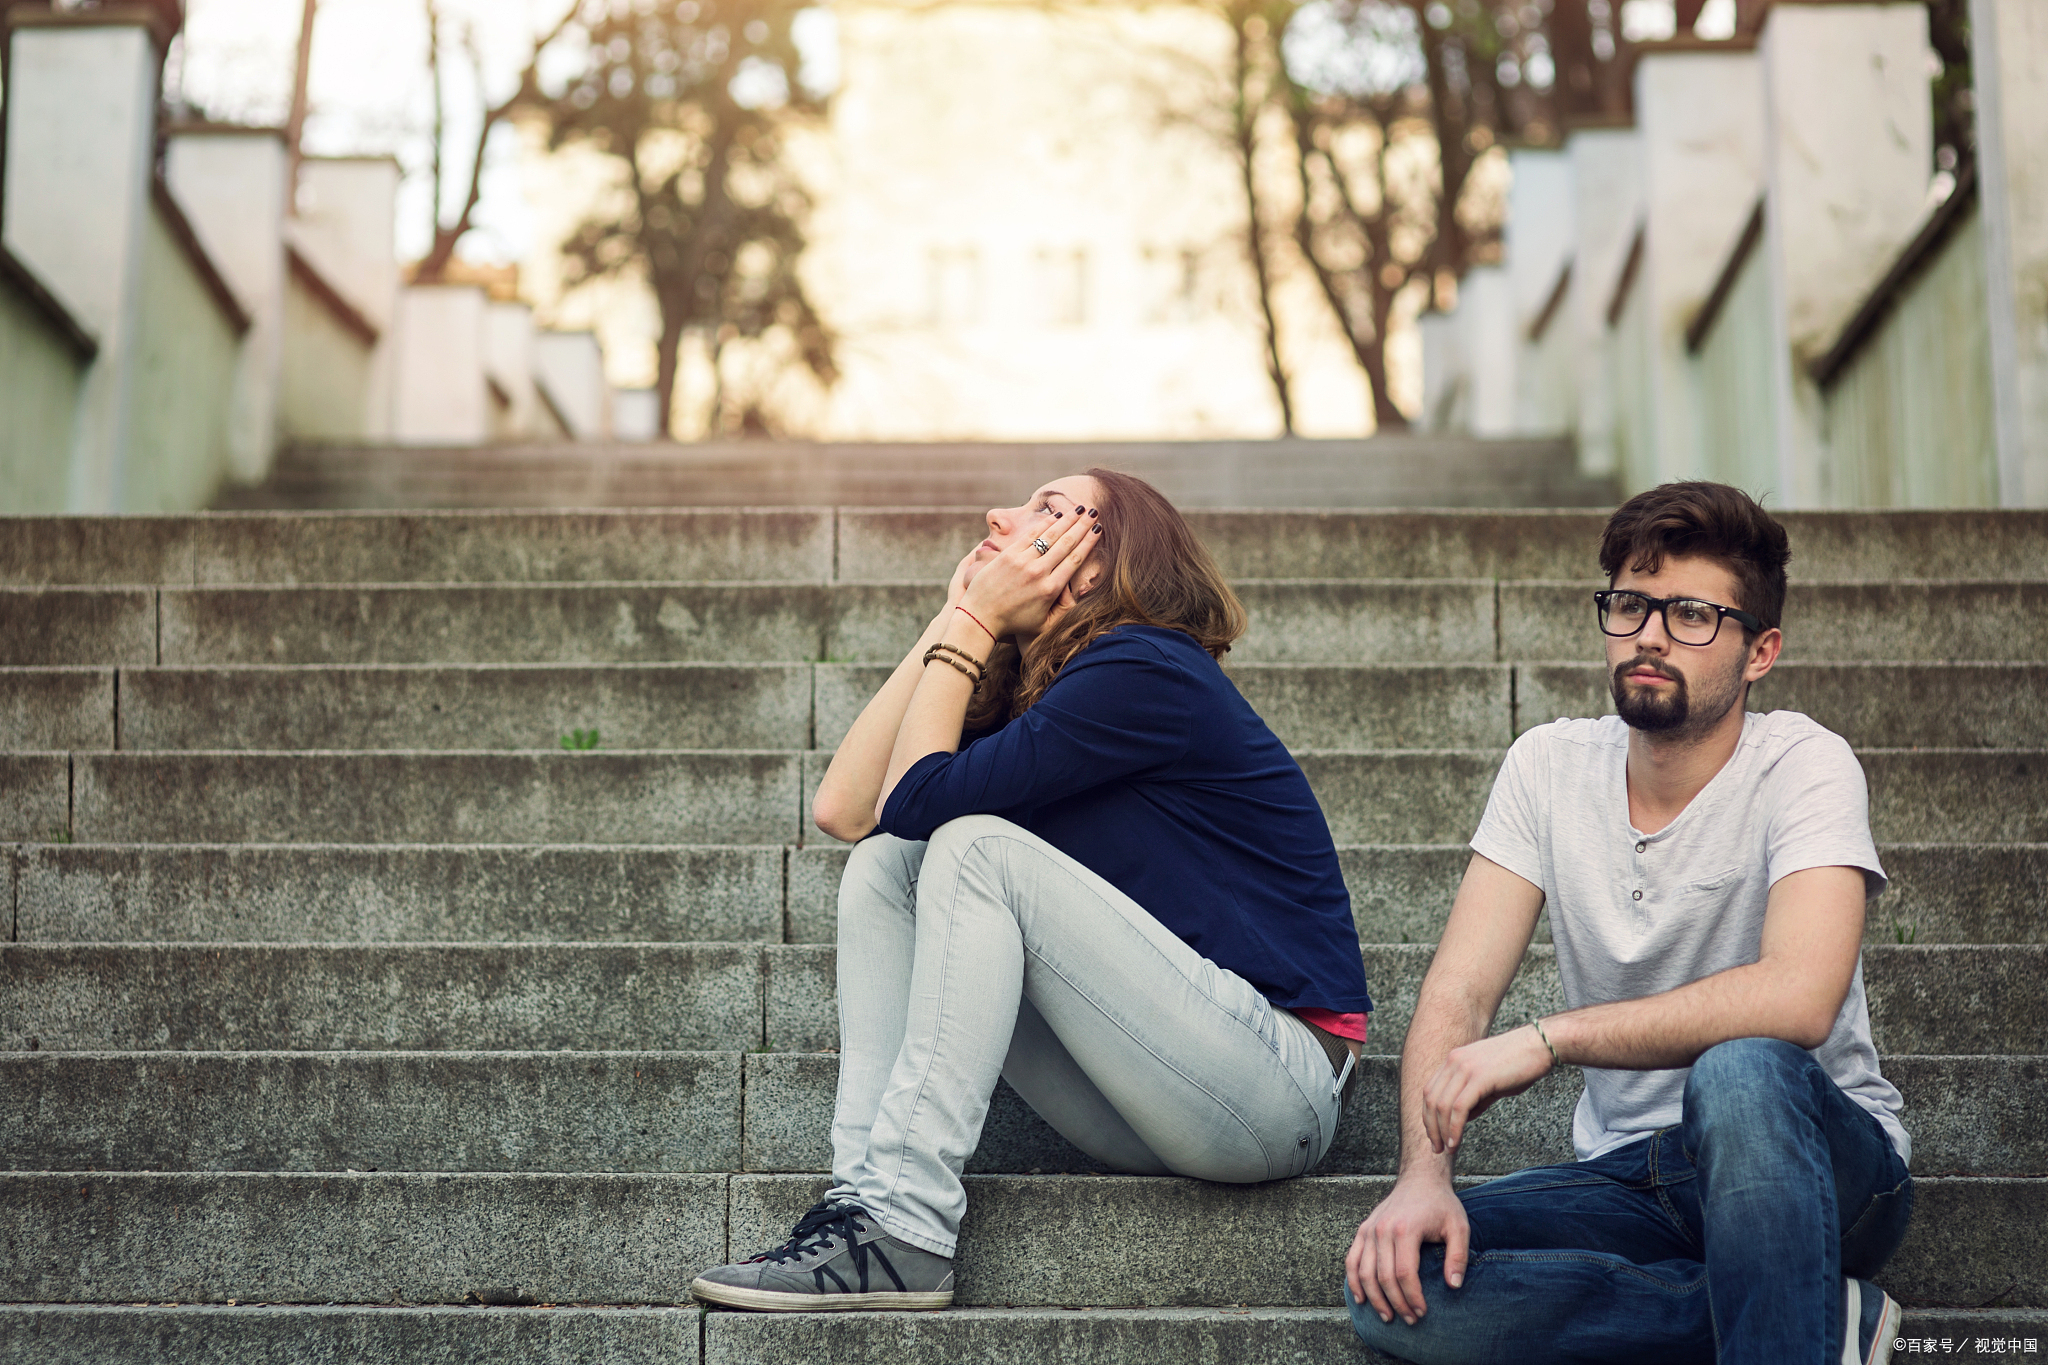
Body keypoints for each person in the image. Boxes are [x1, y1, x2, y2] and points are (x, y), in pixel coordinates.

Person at [689, 468, 1373, 1311]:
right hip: (1163, 1091)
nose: (1000, 515)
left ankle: (907, 1222)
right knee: (888, 867)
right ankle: (863, 1204)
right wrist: (956, 618)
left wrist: (974, 617)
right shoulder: (1047, 693)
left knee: (974, 847)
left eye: (1048, 509)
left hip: (1276, 1082)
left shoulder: (1146, 667)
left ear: (1097, 564)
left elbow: (914, 797)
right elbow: (849, 810)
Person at [1343, 481, 1912, 1365]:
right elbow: (1457, 990)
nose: (1648, 632)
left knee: (1742, 1069)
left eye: (1691, 613)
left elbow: (1799, 997)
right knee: (1395, 1276)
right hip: (1633, 1177)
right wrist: (1424, 1175)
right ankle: (1813, 1319)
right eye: (1631, 604)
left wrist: (1548, 1039)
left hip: (1813, 1162)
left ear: (1760, 651)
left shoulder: (1806, 764)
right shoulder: (1547, 766)